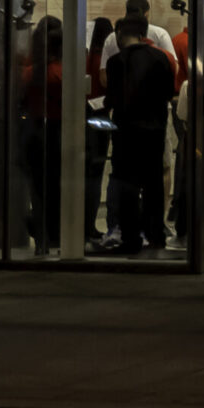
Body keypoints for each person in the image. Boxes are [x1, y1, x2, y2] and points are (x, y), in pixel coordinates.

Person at [102, 14, 176, 256]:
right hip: (154, 130)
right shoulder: (161, 59)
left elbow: (112, 99)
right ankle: (156, 236)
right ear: (143, 34)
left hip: (125, 132)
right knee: (154, 185)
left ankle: (131, 238)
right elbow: (167, 92)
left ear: (121, 35)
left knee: (127, 186)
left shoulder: (116, 62)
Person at [21, 16, 67, 253]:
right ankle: (56, 235)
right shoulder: (63, 73)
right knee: (58, 187)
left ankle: (41, 237)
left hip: (34, 130)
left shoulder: (30, 71)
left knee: (38, 189)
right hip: (58, 130)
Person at [83, 17, 114, 246]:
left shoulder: (80, 57)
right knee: (95, 172)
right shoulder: (107, 61)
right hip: (101, 118)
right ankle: (90, 224)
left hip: (80, 116)